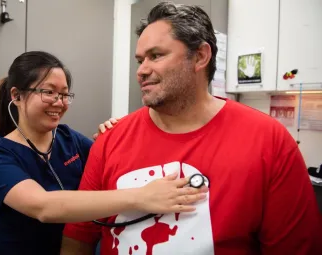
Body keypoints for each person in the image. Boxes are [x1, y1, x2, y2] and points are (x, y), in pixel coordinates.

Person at [61, 2, 322, 255]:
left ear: (200, 56)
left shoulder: (268, 140)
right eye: (140, 60)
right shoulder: (111, 139)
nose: (141, 71)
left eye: (156, 56)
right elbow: (79, 237)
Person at [0, 51, 208, 255]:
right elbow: (43, 207)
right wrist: (142, 196)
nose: (59, 102)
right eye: (49, 92)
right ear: (17, 96)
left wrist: (114, 135)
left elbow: (112, 167)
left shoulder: (69, 139)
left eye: (64, 94)